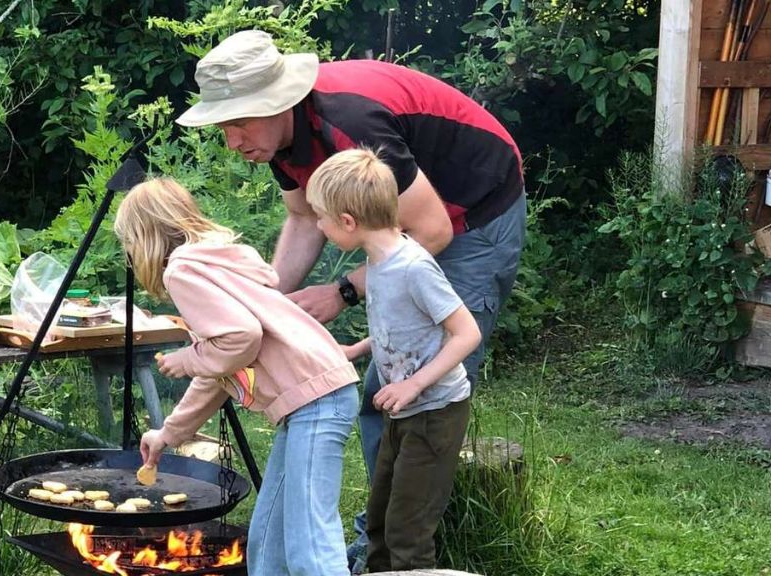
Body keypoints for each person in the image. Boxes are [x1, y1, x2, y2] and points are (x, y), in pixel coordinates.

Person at [176, 29, 527, 569]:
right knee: (382, 390)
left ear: (280, 103)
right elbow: (300, 218)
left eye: (240, 121)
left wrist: (342, 290)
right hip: (416, 229)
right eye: (225, 126)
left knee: (420, 394)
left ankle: (403, 551)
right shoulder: (280, 141)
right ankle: (380, 542)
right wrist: (260, 300)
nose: (232, 140)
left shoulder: (353, 125)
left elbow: (431, 232)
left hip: (474, 212)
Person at [114, 177, 360, 576]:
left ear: (144, 237)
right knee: (269, 540)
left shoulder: (182, 271)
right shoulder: (215, 261)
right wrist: (169, 434)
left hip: (315, 399)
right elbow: (222, 366)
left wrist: (188, 358)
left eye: (128, 243)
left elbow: (241, 338)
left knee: (309, 540)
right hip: (311, 399)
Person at [306, 148, 480, 571]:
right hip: (403, 413)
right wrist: (359, 349)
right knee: (381, 522)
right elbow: (403, 324)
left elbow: (467, 332)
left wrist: (413, 384)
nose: (317, 225)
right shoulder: (379, 261)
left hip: (435, 413)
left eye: (321, 217)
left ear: (348, 222)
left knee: (408, 533)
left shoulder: (413, 267)